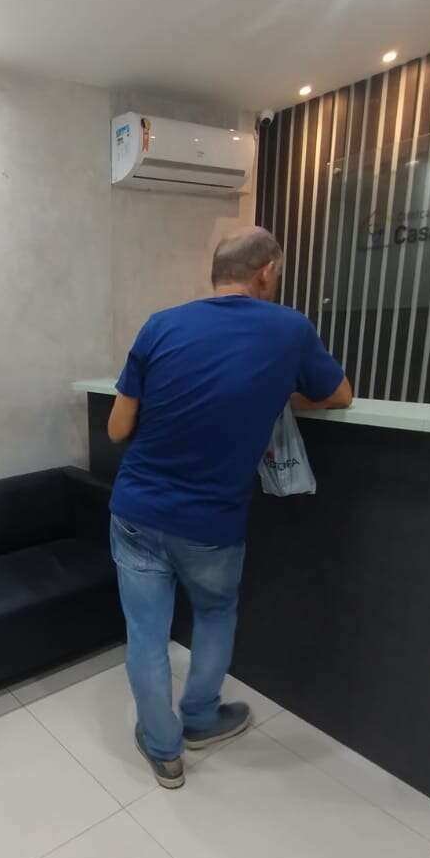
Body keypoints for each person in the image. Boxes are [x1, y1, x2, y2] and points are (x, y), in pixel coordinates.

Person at [107, 226, 351, 789]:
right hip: (211, 524)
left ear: (215, 274)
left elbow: (118, 429)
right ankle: (200, 719)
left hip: (136, 510)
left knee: (146, 633)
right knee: (215, 614)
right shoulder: (289, 328)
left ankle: (162, 748)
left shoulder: (160, 325)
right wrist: (270, 389)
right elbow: (339, 395)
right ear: (266, 272)